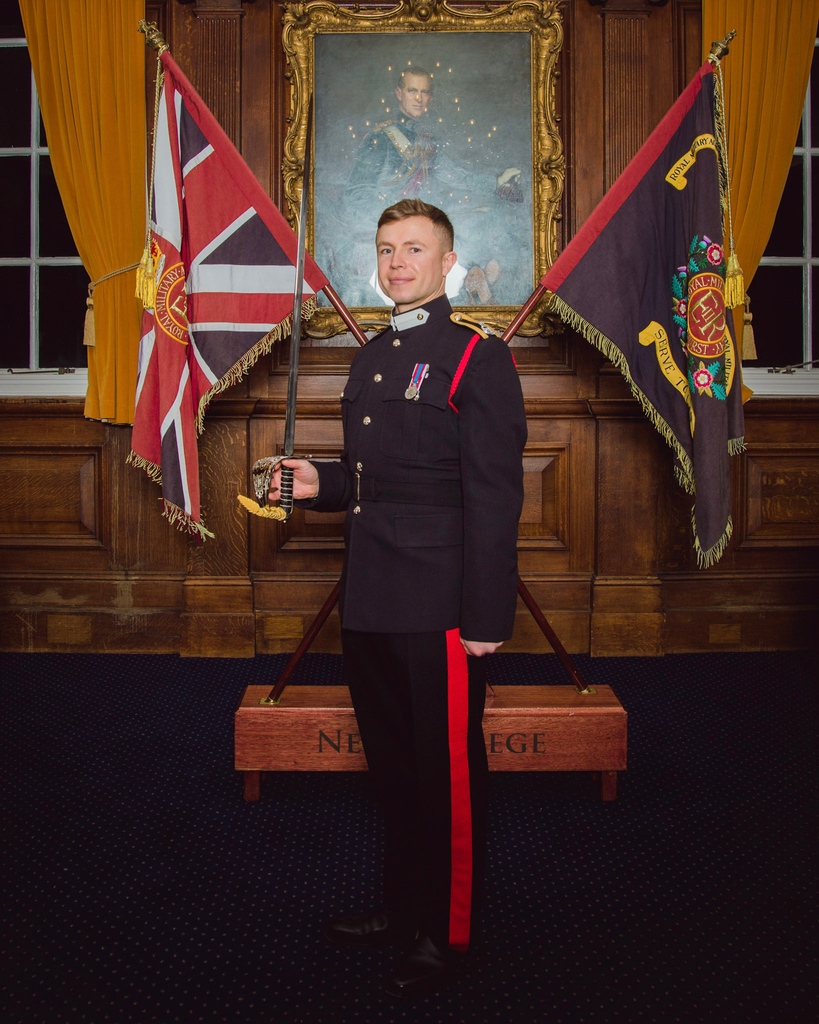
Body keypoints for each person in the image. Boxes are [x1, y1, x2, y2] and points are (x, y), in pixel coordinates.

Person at [268, 199, 527, 999]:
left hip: (440, 607)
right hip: (372, 597)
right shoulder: (373, 356)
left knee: (444, 778)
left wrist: (485, 620)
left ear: (448, 262)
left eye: (414, 249)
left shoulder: (473, 358)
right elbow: (379, 481)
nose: (396, 262)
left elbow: (492, 497)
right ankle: (400, 906)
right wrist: (321, 484)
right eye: (385, 249)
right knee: (391, 771)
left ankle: (447, 935)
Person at [322, 68, 525, 307]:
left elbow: (453, 175)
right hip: (389, 229)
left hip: (424, 227)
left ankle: (475, 290)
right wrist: (392, 220)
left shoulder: (425, 139)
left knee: (488, 224)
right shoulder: (381, 139)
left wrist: (496, 182)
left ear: (430, 97)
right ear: (399, 93)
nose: (418, 98)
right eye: (412, 91)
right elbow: (356, 193)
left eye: (424, 92)